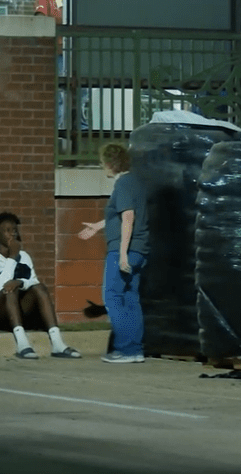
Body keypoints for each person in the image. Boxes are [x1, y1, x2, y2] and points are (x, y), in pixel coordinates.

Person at [78, 142, 149, 363]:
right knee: (130, 298)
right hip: (140, 249)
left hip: (125, 249)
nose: (102, 167)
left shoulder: (123, 185)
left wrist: (123, 253)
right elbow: (120, 216)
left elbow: (128, 217)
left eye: (102, 163)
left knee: (112, 297)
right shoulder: (135, 182)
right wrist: (98, 226)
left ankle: (125, 349)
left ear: (110, 164)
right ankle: (135, 349)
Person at [0, 212, 81, 359]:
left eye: (14, 230)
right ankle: (22, 344)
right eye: (7, 230)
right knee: (10, 291)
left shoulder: (24, 256)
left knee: (40, 288)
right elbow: (1, 287)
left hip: (17, 309)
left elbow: (34, 282)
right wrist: (12, 258)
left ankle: (57, 343)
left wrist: (20, 282)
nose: (12, 234)